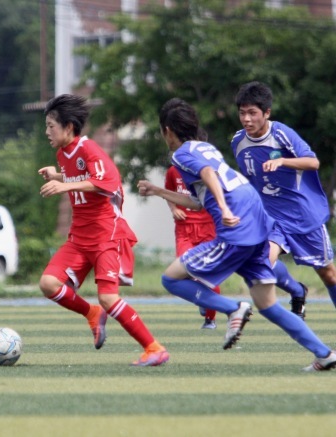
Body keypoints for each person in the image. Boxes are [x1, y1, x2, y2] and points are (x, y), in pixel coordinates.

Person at [137, 97, 336, 371]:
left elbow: (209, 174)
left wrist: (222, 207)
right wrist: (159, 191)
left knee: (170, 278)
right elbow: (197, 201)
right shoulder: (205, 147)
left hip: (237, 226)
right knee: (267, 304)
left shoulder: (181, 154)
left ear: (167, 130)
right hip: (257, 218)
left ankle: (232, 308)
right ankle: (324, 353)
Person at [38, 94, 169, 367]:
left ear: (69, 127)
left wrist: (65, 186)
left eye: (51, 125)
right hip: (79, 236)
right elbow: (82, 177)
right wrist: (58, 175)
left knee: (109, 297)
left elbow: (108, 181)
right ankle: (92, 313)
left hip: (105, 234)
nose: (46, 131)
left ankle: (154, 348)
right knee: (48, 284)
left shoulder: (89, 149)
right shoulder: (63, 153)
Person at [231, 81, 336, 317]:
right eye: (242, 113)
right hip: (271, 217)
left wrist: (282, 161)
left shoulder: (280, 133)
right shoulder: (238, 142)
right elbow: (250, 181)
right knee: (262, 263)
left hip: (302, 215)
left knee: (328, 273)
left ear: (266, 113)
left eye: (252, 113)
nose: (246, 119)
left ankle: (299, 291)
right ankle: (296, 290)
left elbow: (313, 162)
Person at [164, 164, 221, 329]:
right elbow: (168, 192)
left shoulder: (209, 170)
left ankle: (210, 320)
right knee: (182, 271)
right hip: (184, 229)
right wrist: (173, 208)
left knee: (209, 277)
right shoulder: (173, 171)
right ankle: (201, 297)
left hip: (208, 229)